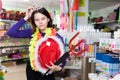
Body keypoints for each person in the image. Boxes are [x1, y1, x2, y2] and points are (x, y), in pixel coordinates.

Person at [7, 6, 66, 80]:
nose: (40, 22)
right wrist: (26, 17)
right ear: (34, 22)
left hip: (48, 70)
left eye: (43, 18)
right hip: (32, 70)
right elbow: (11, 32)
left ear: (48, 19)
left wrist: (60, 67)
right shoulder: (32, 32)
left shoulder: (56, 36)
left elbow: (63, 56)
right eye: (37, 20)